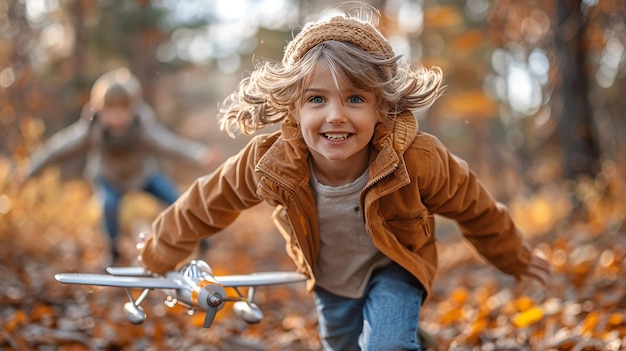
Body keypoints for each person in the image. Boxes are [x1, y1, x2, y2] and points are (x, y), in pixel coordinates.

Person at [137, 5, 551, 350]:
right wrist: (158, 253)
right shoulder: (272, 162)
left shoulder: (417, 159)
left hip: (396, 264)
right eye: (317, 99)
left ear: (381, 107)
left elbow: (473, 204)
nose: (335, 115)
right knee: (344, 344)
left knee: (385, 344)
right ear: (294, 109)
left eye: (355, 99)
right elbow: (208, 200)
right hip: (330, 279)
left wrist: (512, 256)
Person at [23, 68, 218, 264]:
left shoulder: (143, 128)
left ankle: (200, 239)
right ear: (100, 109)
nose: (116, 117)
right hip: (108, 178)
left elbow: (170, 144)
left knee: (174, 198)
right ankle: (113, 251)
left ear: (132, 109)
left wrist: (199, 154)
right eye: (110, 110)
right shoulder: (92, 129)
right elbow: (58, 148)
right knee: (108, 204)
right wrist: (30, 170)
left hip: (142, 175)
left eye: (122, 110)